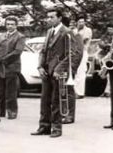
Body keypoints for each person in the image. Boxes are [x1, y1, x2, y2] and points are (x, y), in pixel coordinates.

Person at [31, 9, 80, 138]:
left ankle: (56, 129)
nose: (49, 19)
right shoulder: (49, 31)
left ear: (59, 18)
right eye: (48, 17)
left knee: (56, 100)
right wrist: (40, 66)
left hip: (58, 72)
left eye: (52, 17)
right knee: (44, 100)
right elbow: (43, 51)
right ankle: (44, 126)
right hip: (46, 70)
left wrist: (59, 69)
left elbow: (72, 53)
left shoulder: (67, 32)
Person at [0, 16, 26, 120]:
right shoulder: (2, 36)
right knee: (0, 90)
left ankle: (12, 111)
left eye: (12, 24)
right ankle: (0, 111)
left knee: (11, 91)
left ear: (16, 25)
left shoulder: (20, 37)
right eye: (8, 24)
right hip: (1, 67)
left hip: (12, 66)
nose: (9, 26)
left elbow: (17, 52)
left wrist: (2, 60)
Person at [73, 16, 92, 98]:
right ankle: (75, 91)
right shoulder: (74, 30)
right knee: (75, 72)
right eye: (80, 22)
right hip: (75, 52)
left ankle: (80, 92)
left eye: (83, 22)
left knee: (81, 72)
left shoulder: (87, 30)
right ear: (77, 22)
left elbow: (83, 40)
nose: (81, 23)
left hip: (83, 52)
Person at [98, 23, 113, 97]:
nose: (109, 30)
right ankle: (106, 91)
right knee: (103, 75)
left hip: (112, 57)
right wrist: (106, 45)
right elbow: (100, 43)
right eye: (108, 29)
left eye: (111, 29)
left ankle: (108, 91)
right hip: (104, 56)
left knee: (110, 75)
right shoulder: (104, 36)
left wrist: (108, 45)